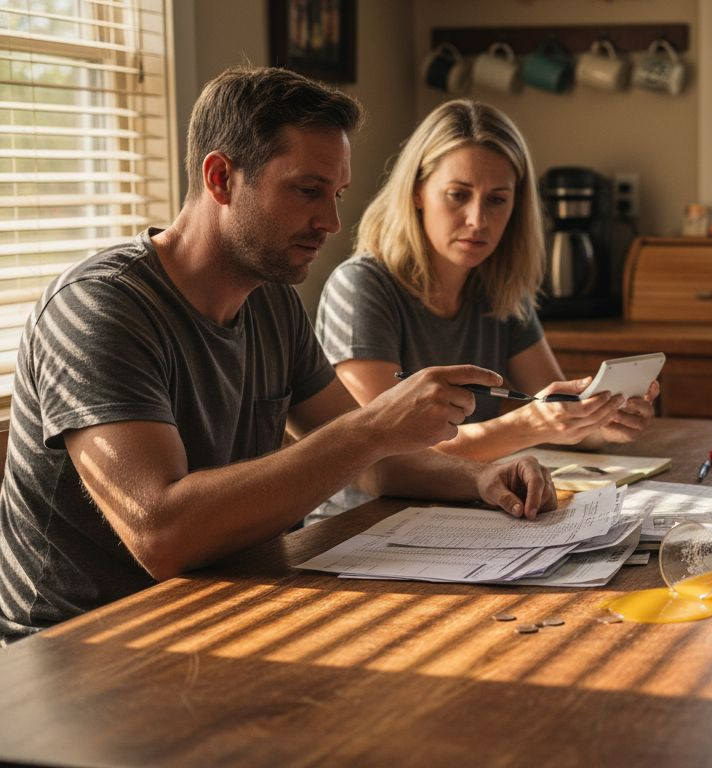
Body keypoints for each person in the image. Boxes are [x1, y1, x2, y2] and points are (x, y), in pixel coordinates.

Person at [0, 67, 556, 644]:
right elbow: (162, 534)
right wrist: (372, 427)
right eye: (307, 190)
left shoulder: (273, 304)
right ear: (221, 178)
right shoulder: (99, 309)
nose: (331, 222)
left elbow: (372, 461)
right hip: (81, 646)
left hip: (228, 608)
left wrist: (480, 477)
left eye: (336, 195)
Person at [312, 99, 656, 516]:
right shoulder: (361, 287)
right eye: (458, 195)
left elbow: (556, 410)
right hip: (361, 526)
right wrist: (530, 424)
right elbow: (388, 455)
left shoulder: (501, 290)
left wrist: (602, 421)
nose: (478, 219)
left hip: (466, 512)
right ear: (418, 192)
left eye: (497, 200)